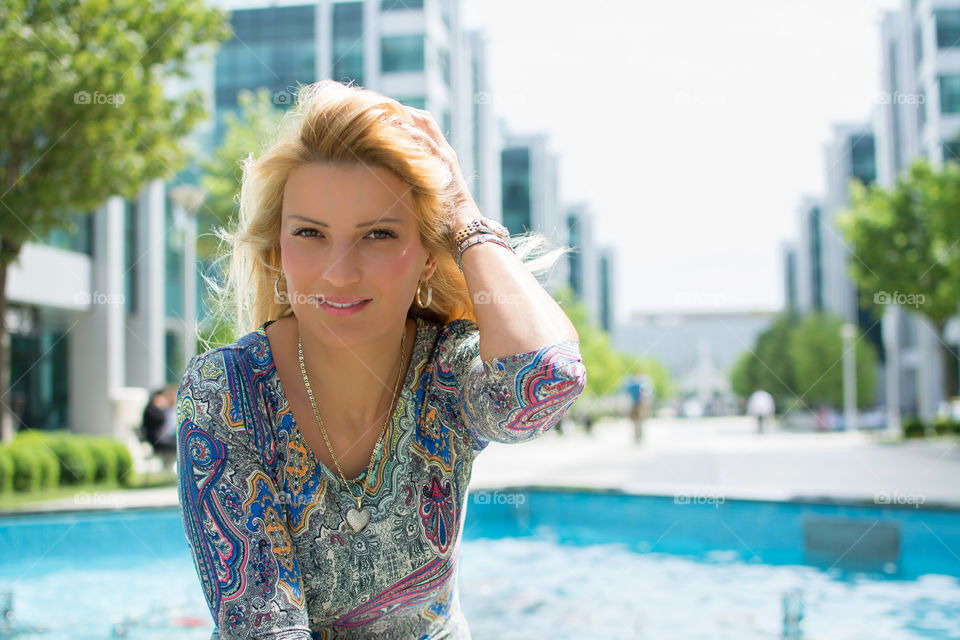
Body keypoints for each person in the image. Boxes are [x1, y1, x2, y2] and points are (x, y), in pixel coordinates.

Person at [176, 79, 588, 640]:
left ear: (425, 257)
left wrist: (463, 214)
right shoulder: (225, 394)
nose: (340, 272)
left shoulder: (447, 372)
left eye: (377, 234)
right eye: (310, 233)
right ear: (278, 250)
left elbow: (546, 377)